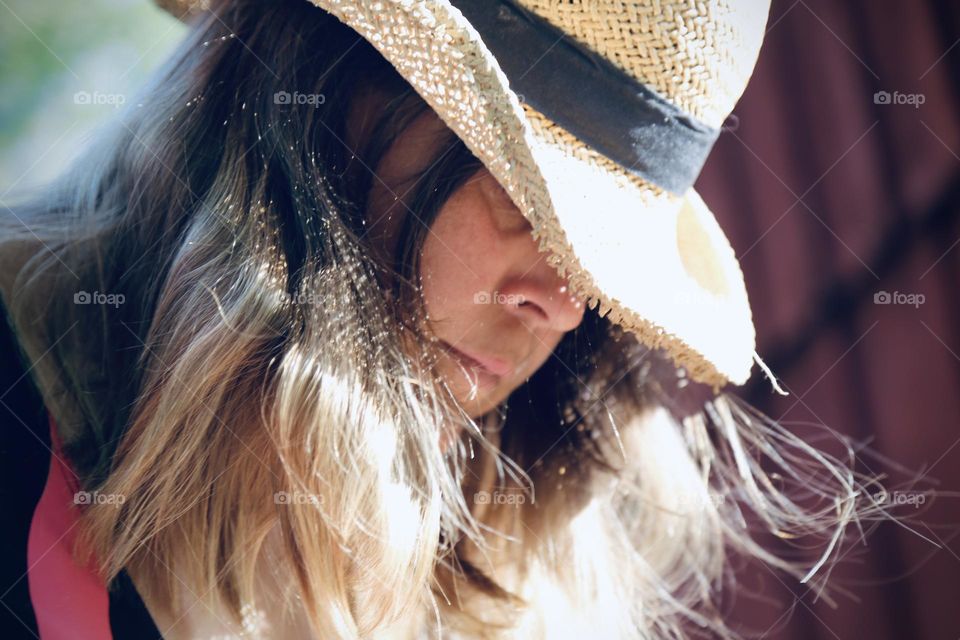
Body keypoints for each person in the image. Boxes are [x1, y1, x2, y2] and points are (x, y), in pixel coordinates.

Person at [0, 0, 889, 638]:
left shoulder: (516, 590)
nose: (562, 304)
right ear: (320, 99)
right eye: (524, 195)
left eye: (601, 259)